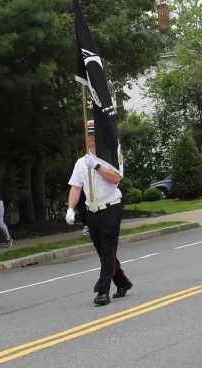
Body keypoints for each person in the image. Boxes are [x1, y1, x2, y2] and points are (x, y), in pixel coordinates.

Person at [65, 120, 132, 306]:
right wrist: (70, 208)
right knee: (103, 251)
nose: (92, 136)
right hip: (92, 211)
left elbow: (116, 179)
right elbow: (76, 188)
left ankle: (102, 291)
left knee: (107, 249)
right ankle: (123, 282)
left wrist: (96, 165)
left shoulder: (111, 156)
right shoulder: (81, 163)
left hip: (111, 207)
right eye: (89, 133)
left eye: (94, 132)